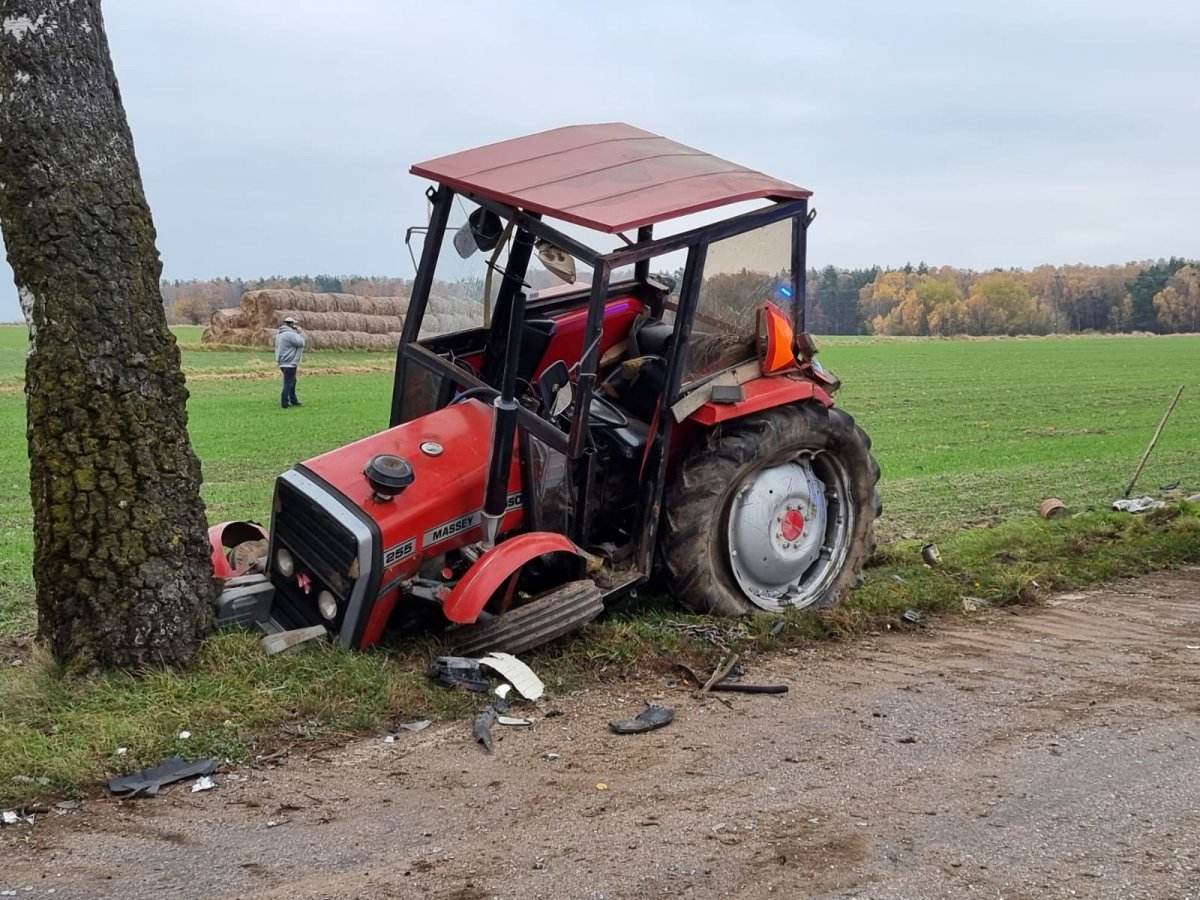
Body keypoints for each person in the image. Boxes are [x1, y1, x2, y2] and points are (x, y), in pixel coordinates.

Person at [274, 316, 307, 408]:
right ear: (292, 325)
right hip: (290, 362)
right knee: (288, 383)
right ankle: (284, 402)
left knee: (293, 381)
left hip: (283, 362)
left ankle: (293, 400)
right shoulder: (289, 334)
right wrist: (300, 333)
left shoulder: (280, 334)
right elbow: (301, 343)